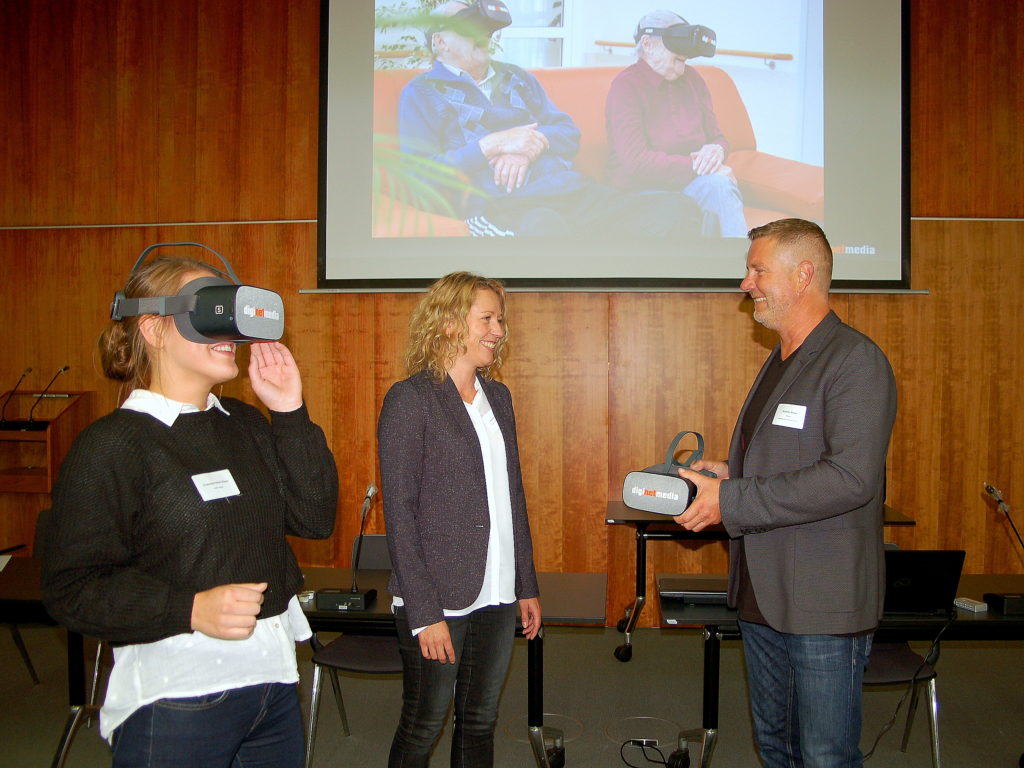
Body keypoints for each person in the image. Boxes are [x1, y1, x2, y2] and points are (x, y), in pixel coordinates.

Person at [41, 255, 338, 767]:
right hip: (178, 697)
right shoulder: (113, 445)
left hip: (272, 684)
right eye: (210, 310)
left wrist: (289, 414)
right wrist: (191, 609)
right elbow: (72, 588)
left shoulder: (243, 424)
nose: (229, 331)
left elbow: (314, 518)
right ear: (154, 328)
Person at [674, 218, 897, 767]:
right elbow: (797, 458)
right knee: (777, 749)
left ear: (803, 275)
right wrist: (732, 472)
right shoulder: (780, 359)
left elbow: (850, 477)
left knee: (824, 756)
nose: (745, 284)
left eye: (757, 270)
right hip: (763, 596)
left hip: (822, 603)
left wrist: (729, 502)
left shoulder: (855, 361)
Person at [377, 271, 542, 767]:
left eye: (500, 319)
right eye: (486, 319)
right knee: (425, 721)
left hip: (496, 592)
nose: (497, 330)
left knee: (479, 721)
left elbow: (513, 496)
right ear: (449, 324)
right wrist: (424, 612)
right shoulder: (411, 399)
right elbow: (399, 514)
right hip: (436, 597)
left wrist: (524, 584)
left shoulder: (500, 398)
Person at [398, 0, 701, 237]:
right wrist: (493, 144)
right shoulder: (421, 93)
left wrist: (531, 144)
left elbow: (568, 132)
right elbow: (420, 174)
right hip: (502, 205)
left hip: (569, 191)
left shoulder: (517, 77)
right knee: (546, 230)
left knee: (677, 210)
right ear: (440, 42)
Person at [605, 10, 748, 237]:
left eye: (685, 60)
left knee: (719, 187)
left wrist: (717, 151)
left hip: (690, 186)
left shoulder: (693, 79)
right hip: (641, 192)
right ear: (648, 45)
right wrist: (697, 167)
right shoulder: (626, 86)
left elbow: (717, 137)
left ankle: (742, 268)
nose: (682, 69)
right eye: (677, 60)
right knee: (714, 185)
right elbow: (635, 162)